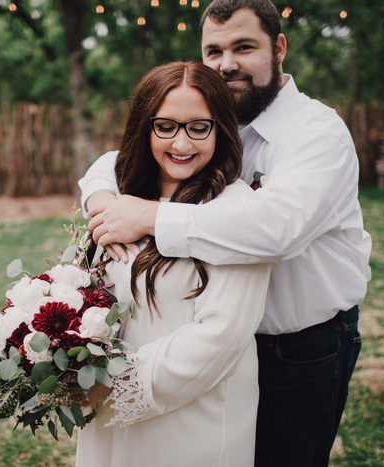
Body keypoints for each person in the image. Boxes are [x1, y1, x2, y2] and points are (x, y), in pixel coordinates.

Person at [79, 1, 372, 465]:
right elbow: (120, 158)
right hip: (234, 350)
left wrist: (149, 217)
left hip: (301, 345)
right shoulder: (211, 120)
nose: (226, 63)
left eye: (243, 46)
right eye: (213, 50)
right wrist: (102, 200)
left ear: (279, 48)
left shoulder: (316, 133)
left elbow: (276, 229)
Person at [74, 61, 272, 466]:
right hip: (107, 417)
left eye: (198, 127)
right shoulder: (121, 198)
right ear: (145, 128)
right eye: (165, 126)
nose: (181, 144)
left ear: (220, 128)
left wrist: (113, 382)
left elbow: (222, 335)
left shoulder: (236, 211)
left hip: (193, 420)